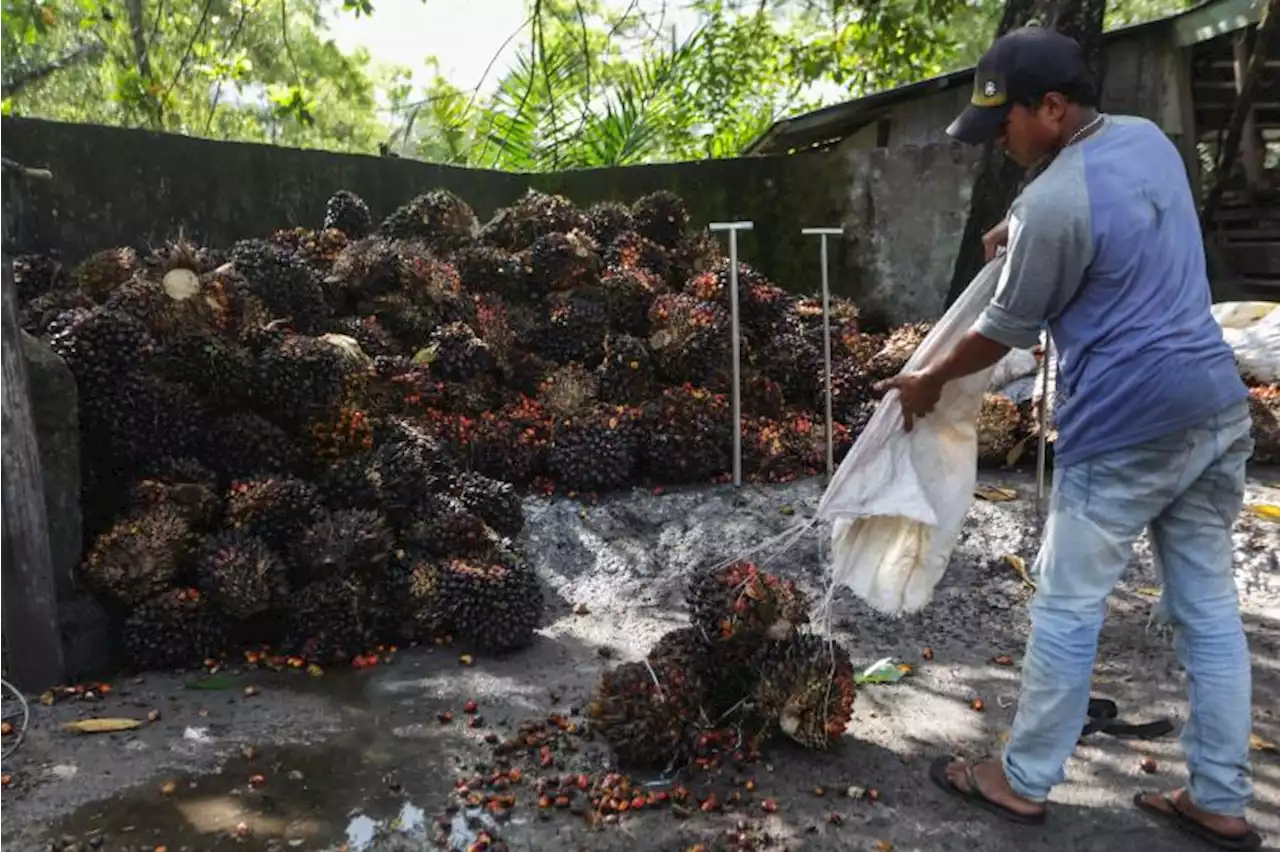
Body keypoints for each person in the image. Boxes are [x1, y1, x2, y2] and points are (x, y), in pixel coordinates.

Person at [875, 24, 1262, 851]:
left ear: (1051, 108)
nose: (999, 141)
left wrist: (927, 379)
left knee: (1067, 603)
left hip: (1128, 428)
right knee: (1207, 608)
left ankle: (1020, 781)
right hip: (1217, 410)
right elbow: (1111, 215)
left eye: (1006, 122)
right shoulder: (1149, 142)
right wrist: (1021, 229)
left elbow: (1000, 332)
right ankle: (1223, 799)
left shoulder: (1054, 203)